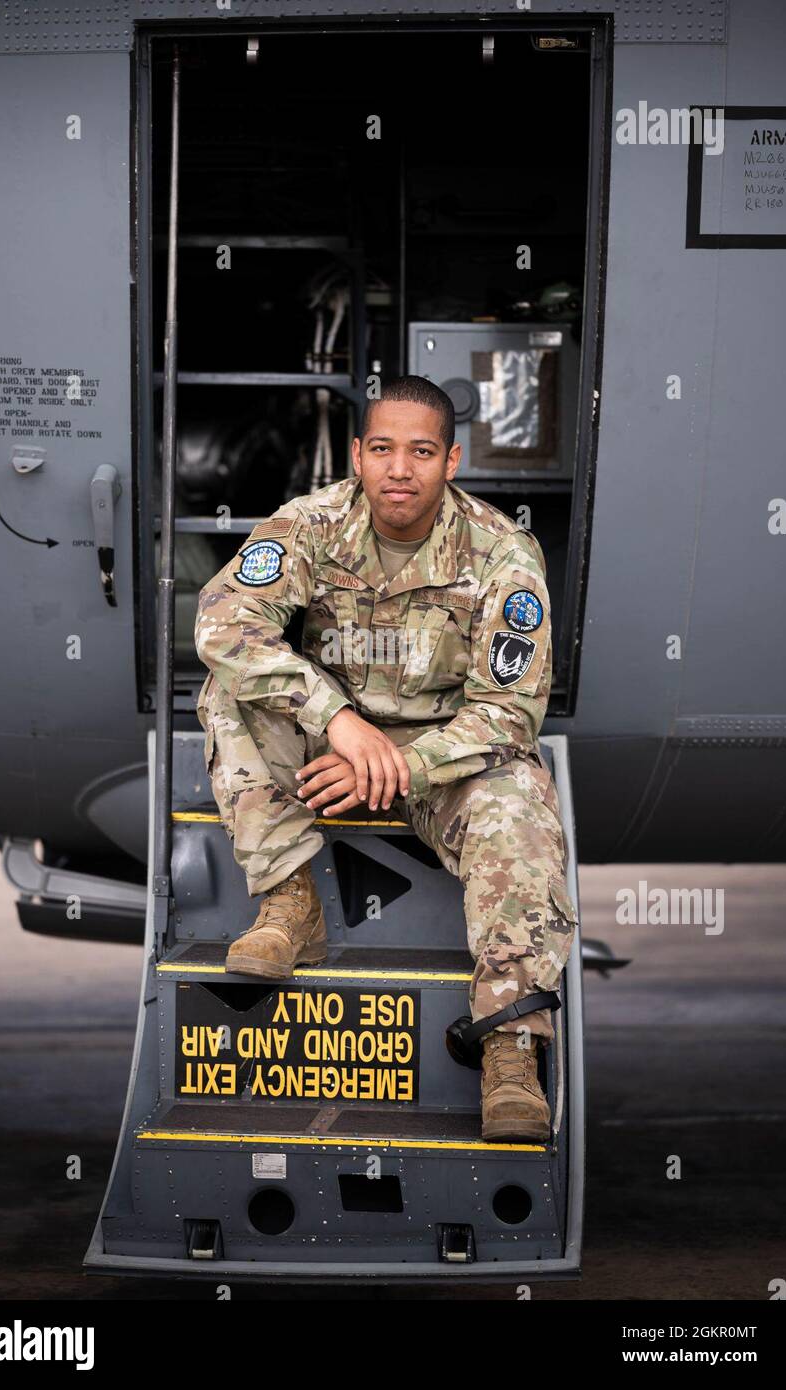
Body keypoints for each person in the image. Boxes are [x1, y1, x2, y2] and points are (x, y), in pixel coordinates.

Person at [194, 375, 578, 1141]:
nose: (400, 469)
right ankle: (289, 902)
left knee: (520, 798)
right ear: (359, 455)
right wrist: (336, 720)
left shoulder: (501, 551)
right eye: (382, 449)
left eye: (422, 451)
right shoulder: (311, 523)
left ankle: (508, 1044)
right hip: (333, 748)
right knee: (227, 693)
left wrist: (402, 764)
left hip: (445, 769)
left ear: (452, 460)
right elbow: (223, 622)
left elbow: (509, 712)